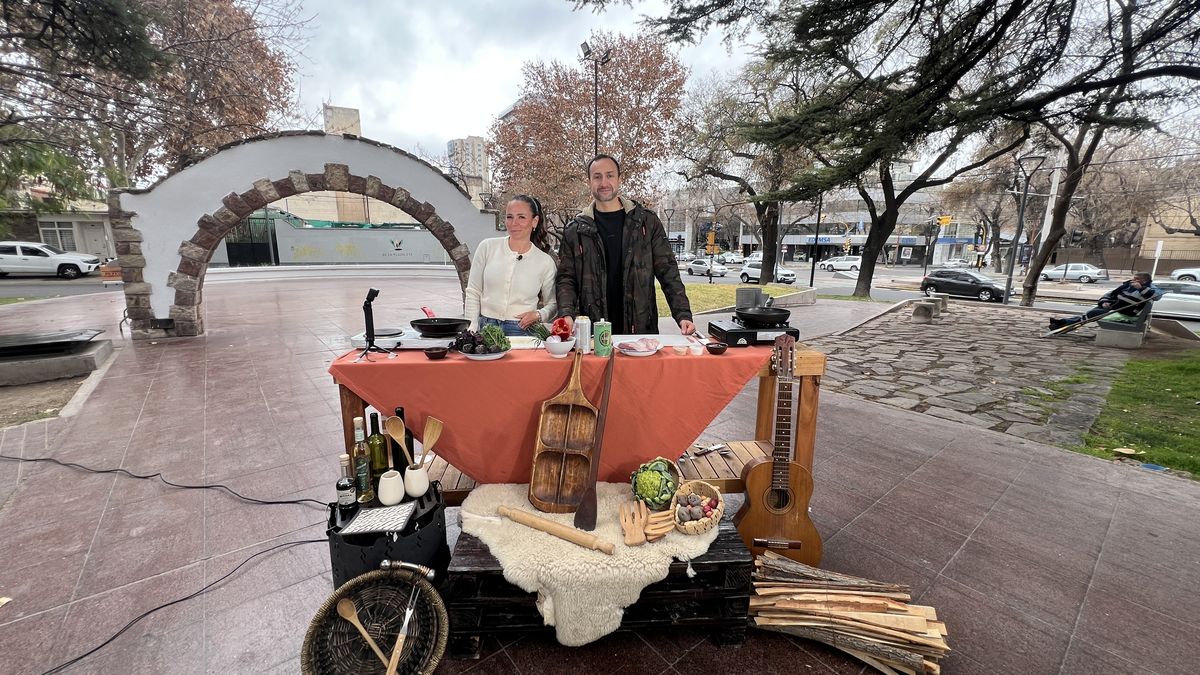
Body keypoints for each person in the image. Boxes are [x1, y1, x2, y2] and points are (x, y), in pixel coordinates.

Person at [556, 154, 694, 335]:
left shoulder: (646, 222)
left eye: (610, 175)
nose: (604, 182)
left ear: (619, 179)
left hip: (640, 330)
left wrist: (683, 314)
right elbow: (566, 278)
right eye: (597, 177)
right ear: (589, 182)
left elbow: (668, 271)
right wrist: (566, 314)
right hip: (593, 331)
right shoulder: (575, 230)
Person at [463, 195, 557, 336]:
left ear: (534, 221)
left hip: (524, 329)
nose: (514, 223)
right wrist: (471, 328)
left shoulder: (545, 262)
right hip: (487, 328)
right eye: (509, 217)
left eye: (521, 217)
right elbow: (473, 291)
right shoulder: (487, 247)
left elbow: (553, 304)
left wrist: (539, 315)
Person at [1048, 272, 1159, 329]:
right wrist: (1105, 302)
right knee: (1092, 313)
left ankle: (1062, 323)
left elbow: (1156, 296)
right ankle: (1062, 323)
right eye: (1133, 278)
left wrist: (1141, 288)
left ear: (1145, 281)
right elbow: (1111, 294)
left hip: (1124, 313)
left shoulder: (1148, 289)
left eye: (1136, 279)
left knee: (1092, 314)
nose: (1133, 281)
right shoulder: (1127, 286)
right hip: (1113, 307)